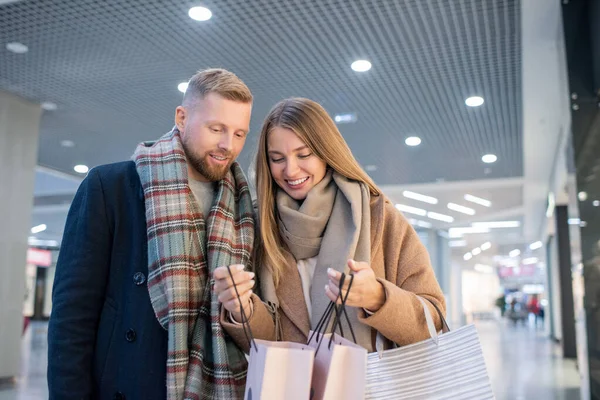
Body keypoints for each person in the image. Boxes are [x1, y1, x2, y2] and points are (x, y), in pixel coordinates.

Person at [48, 69, 255, 400]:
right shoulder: (110, 188)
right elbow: (72, 317)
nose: (227, 145)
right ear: (182, 117)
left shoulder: (245, 209)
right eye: (216, 128)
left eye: (240, 133)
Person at [214, 97, 446, 353]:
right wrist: (242, 309)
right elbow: (270, 342)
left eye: (304, 154)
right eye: (277, 158)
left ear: (326, 152)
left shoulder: (378, 216)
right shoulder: (261, 226)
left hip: (369, 387)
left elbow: (433, 321)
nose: (290, 170)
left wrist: (378, 298)